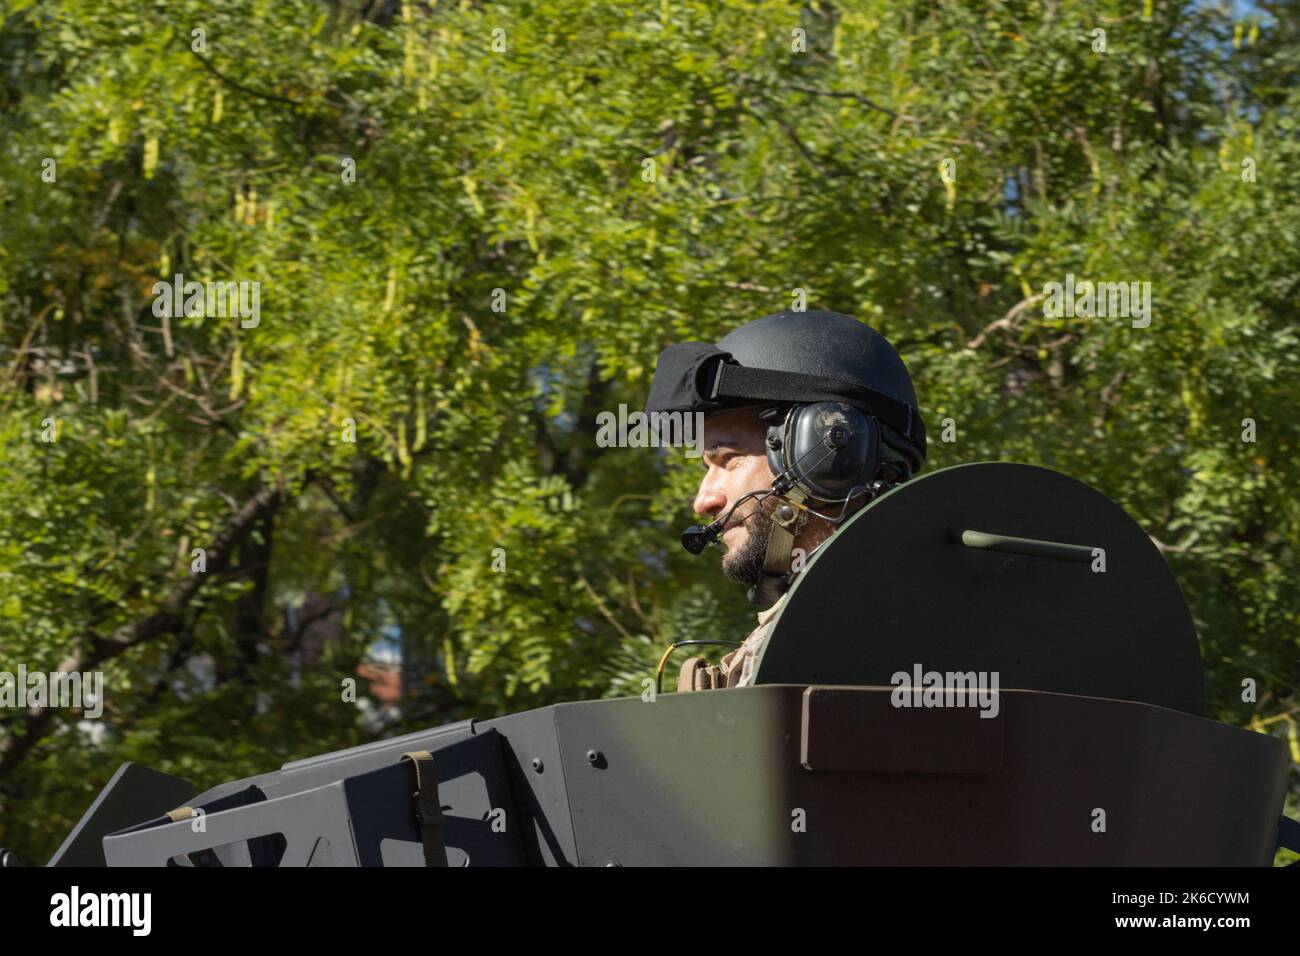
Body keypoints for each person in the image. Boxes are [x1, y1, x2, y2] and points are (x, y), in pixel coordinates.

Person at [645, 309, 927, 690]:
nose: (703, 500)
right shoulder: (821, 629)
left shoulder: (873, 634)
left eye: (727, 459)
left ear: (829, 448)